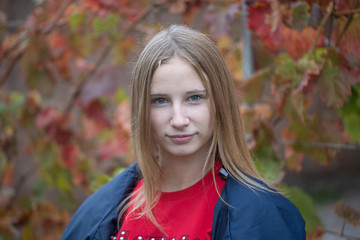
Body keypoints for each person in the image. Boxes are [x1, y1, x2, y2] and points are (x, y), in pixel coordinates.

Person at [61, 25, 305, 240]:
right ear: (141, 110)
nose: (178, 120)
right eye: (160, 101)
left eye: (194, 98)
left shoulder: (261, 216)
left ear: (219, 102)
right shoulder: (100, 215)